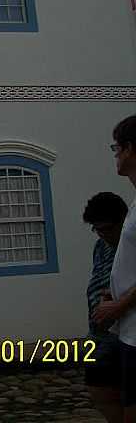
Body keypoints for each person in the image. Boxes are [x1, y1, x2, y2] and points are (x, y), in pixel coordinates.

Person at [95, 115, 136, 423]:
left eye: (116, 148)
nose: (115, 156)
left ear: (130, 149)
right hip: (127, 329)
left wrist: (121, 303)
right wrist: (115, 290)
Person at [83, 192, 129, 422]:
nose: (103, 234)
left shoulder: (130, 245)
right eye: (97, 229)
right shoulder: (100, 247)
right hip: (98, 334)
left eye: (107, 229)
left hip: (121, 332)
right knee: (98, 387)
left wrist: (112, 303)